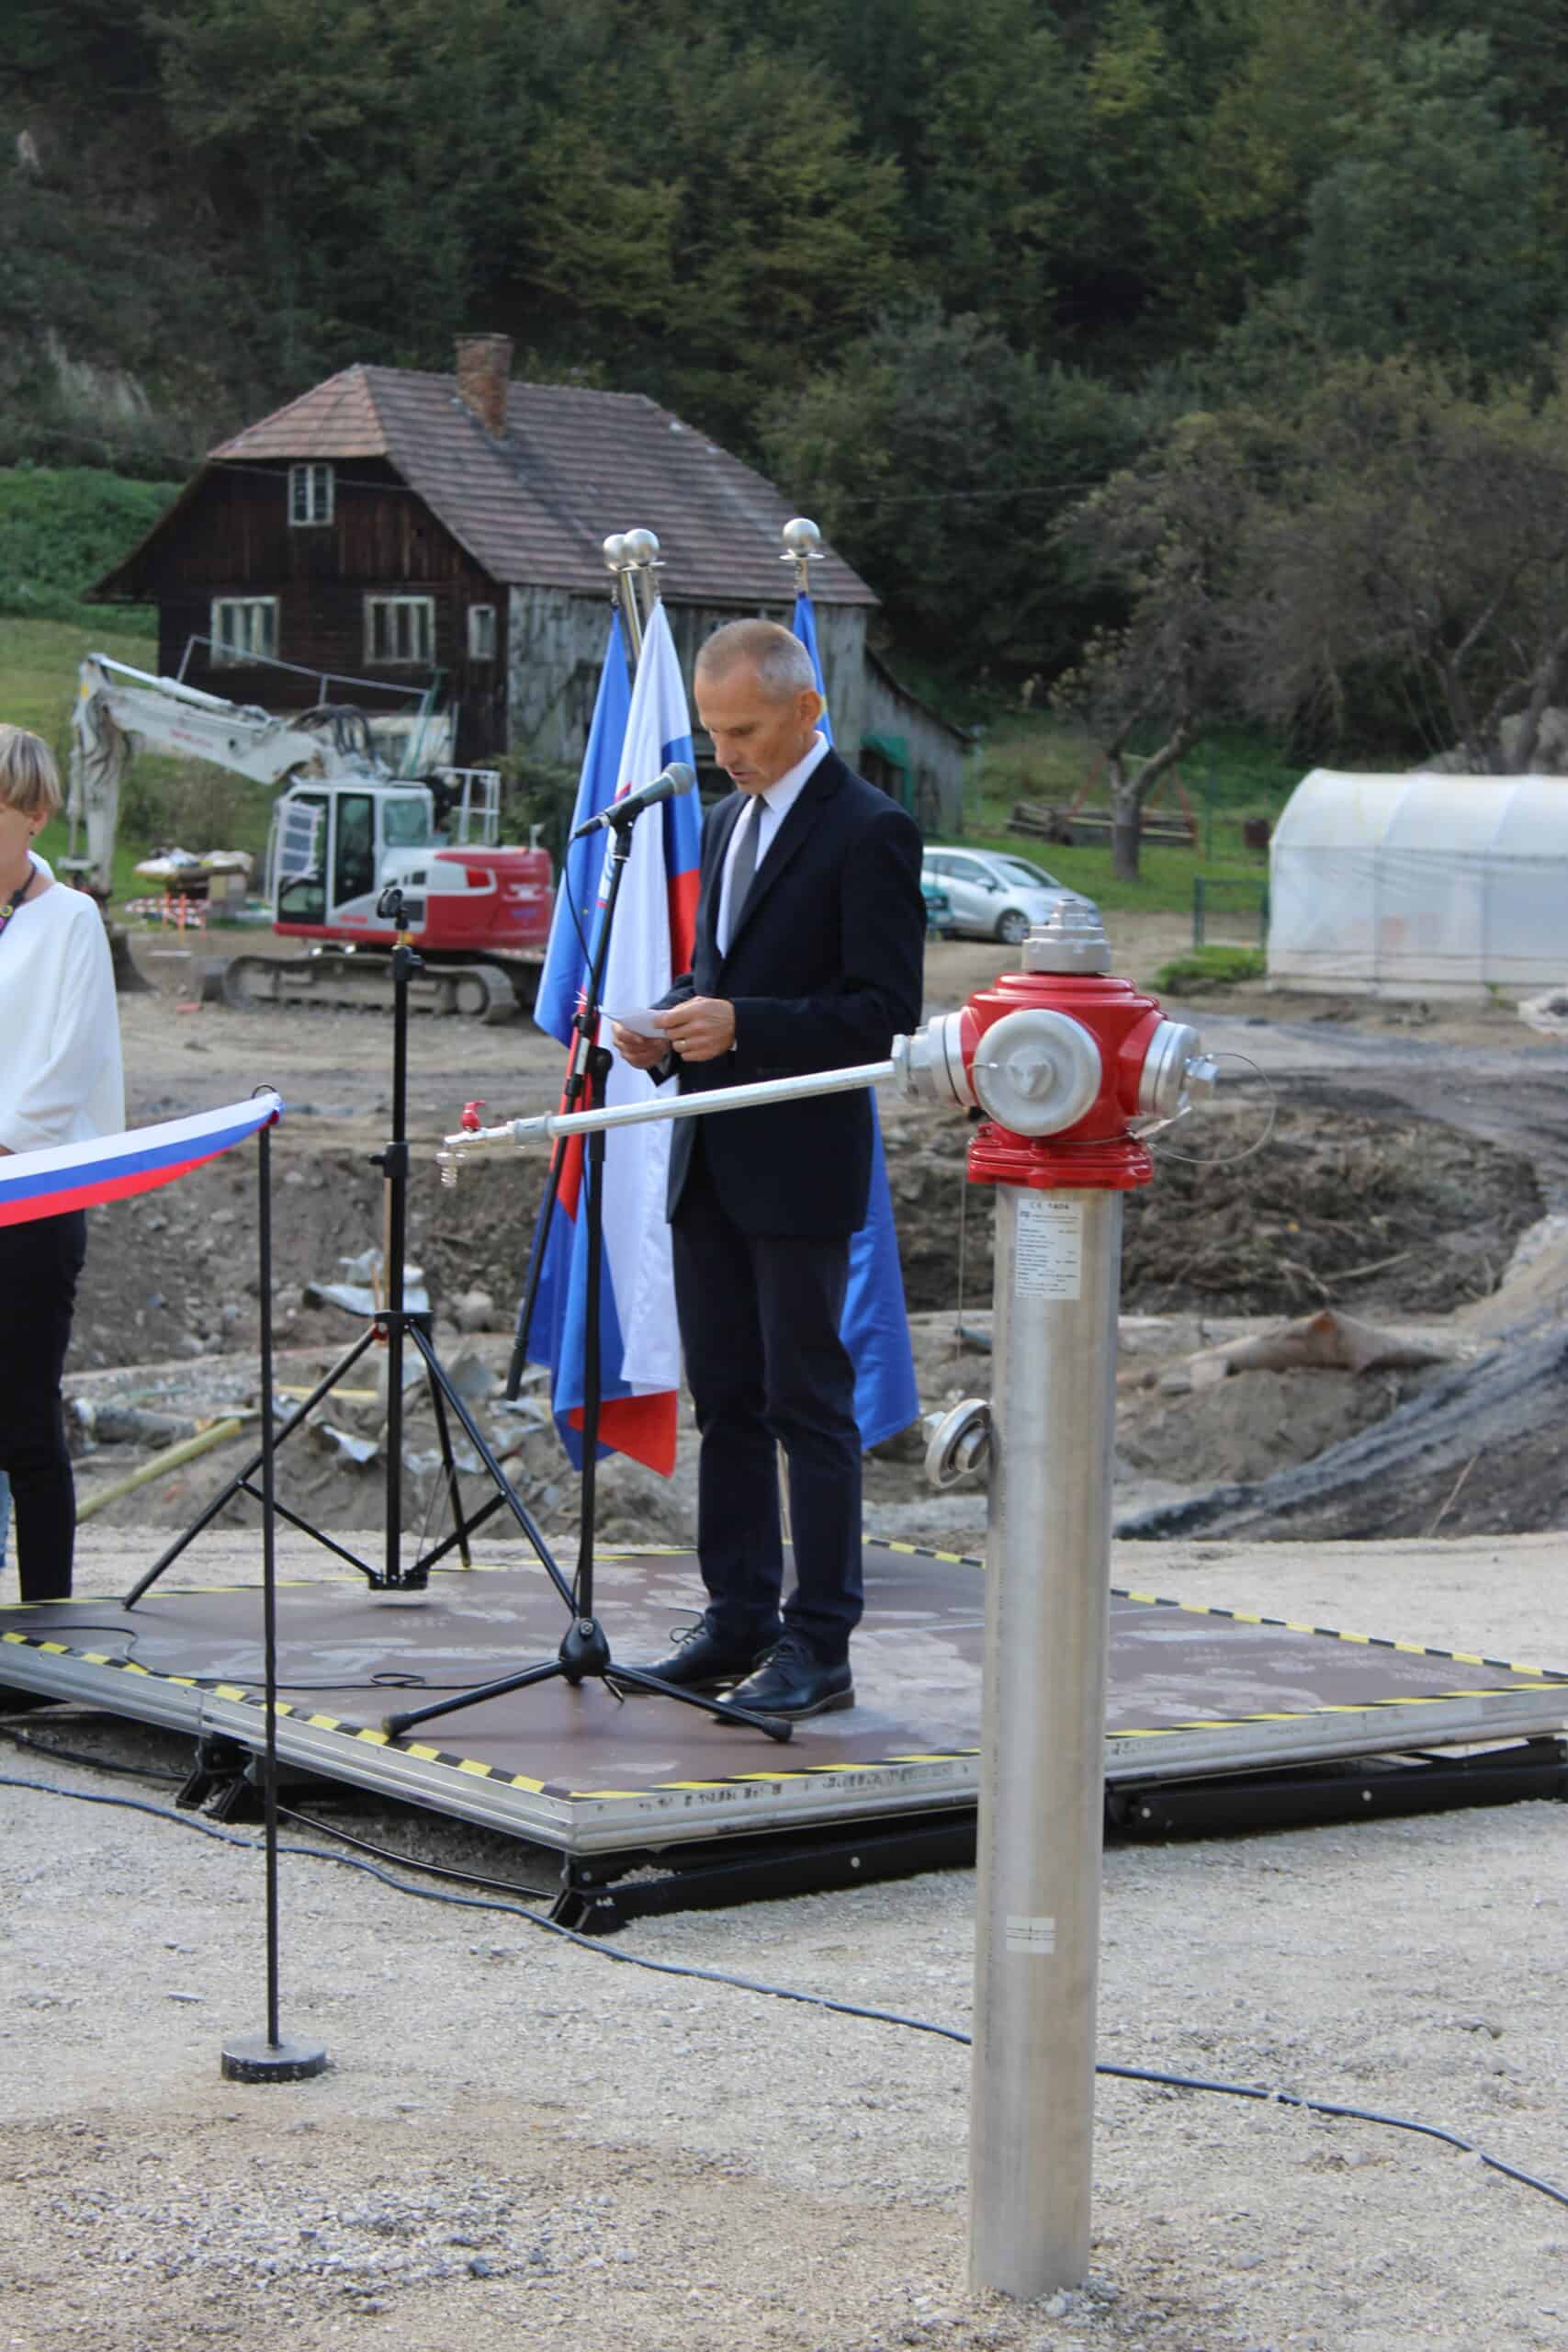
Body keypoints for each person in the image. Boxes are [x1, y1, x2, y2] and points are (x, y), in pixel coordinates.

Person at [611, 619, 925, 1718]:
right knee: (728, 1403)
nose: (725, 752)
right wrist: (664, 1029)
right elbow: (719, 972)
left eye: (743, 730)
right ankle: (737, 1616)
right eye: (712, 732)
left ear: (807, 710)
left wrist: (743, 1023)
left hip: (798, 1164)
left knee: (807, 1403)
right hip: (709, 1152)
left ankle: (819, 1644)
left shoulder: (870, 829)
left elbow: (885, 1015)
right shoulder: (722, 820)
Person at [0, 726, 124, 1602]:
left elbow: (66, 1069)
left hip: (31, 1202)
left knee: (23, 1420)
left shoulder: (71, 920)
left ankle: (47, 1622)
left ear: (34, 816)